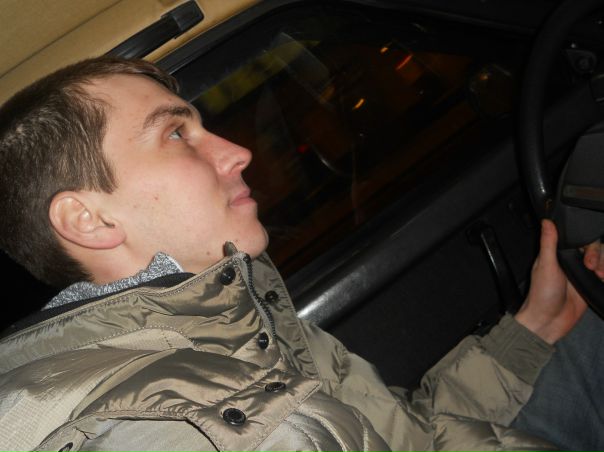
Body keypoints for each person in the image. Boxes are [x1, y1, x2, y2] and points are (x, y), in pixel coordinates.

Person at [0, 56, 596, 452]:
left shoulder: (235, 317)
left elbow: (403, 434)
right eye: (176, 134)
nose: (237, 152)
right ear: (89, 220)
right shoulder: (181, 429)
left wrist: (532, 329)